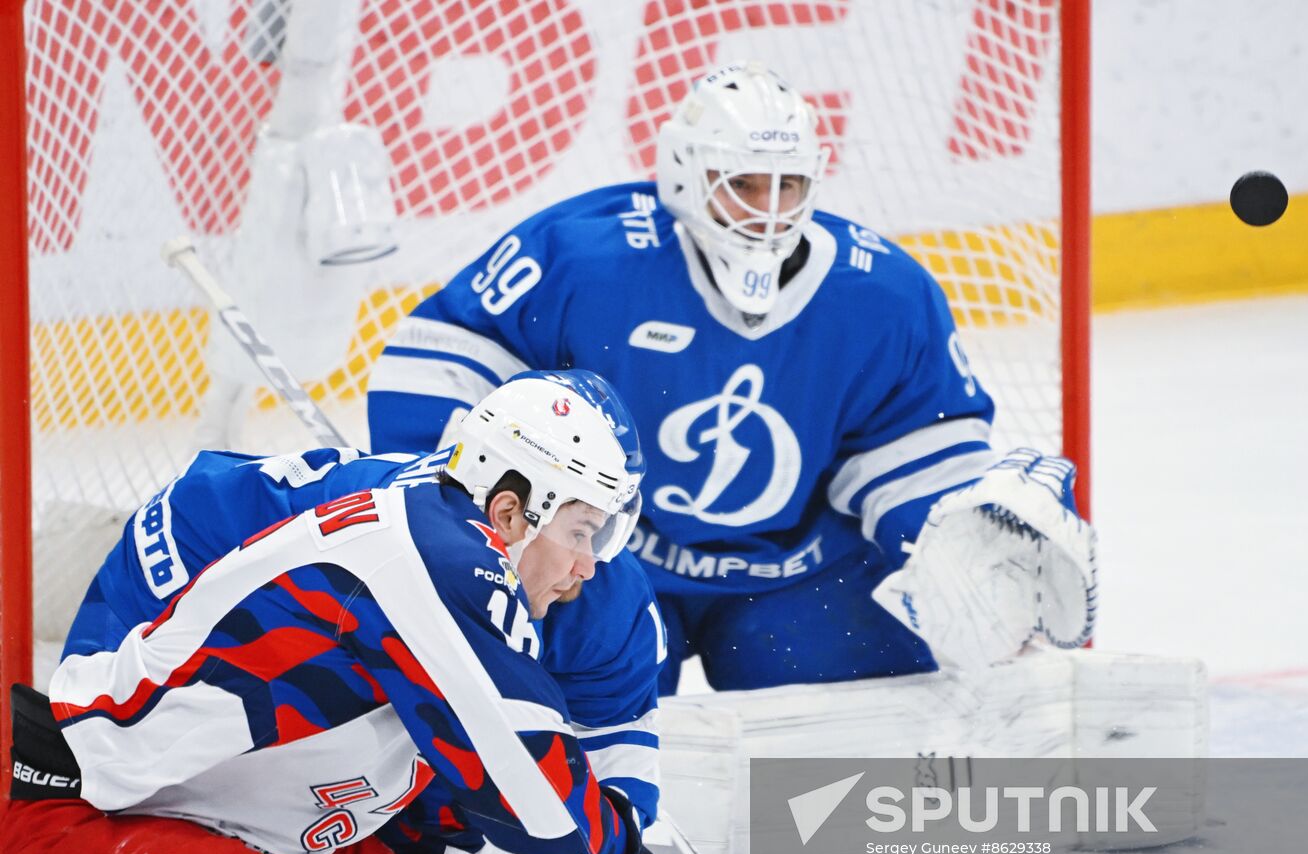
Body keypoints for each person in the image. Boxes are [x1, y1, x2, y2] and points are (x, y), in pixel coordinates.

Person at [366, 62, 1096, 695]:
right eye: (743, 183)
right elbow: (444, 357)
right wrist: (450, 507)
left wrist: (950, 547)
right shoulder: (586, 256)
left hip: (799, 578)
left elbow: (914, 449)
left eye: (788, 185)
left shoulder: (882, 296)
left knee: (868, 722)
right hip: (610, 561)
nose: (767, 209)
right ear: (686, 173)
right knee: (545, 690)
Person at [1, 371, 677, 854]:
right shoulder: (441, 558)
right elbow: (536, 790)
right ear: (509, 510)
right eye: (583, 533)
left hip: (283, 841)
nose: (590, 566)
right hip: (86, 813)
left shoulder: (444, 566)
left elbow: (449, 817)